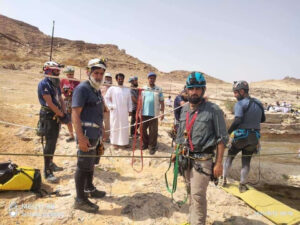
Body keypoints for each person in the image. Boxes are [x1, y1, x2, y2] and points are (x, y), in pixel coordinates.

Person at [174, 72, 228, 225]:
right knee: (190, 192)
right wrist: (176, 152)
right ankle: (192, 220)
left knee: (198, 196)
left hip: (203, 161)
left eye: (198, 88)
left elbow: (222, 139)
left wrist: (218, 163)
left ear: (203, 90)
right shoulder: (184, 109)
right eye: (191, 88)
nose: (194, 92)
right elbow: (180, 133)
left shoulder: (214, 110)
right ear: (187, 90)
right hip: (185, 158)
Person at [72, 58, 107, 212]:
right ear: (88, 72)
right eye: (96, 73)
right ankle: (80, 200)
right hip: (85, 134)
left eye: (101, 73)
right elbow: (75, 114)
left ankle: (89, 188)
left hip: (95, 134)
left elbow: (99, 110)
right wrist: (80, 137)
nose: (99, 76)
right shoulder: (82, 89)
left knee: (91, 164)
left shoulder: (96, 89)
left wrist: (102, 129)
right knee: (82, 166)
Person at [222, 80, 265, 193]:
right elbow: (263, 119)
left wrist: (227, 132)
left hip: (241, 137)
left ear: (242, 91)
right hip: (253, 138)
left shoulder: (240, 104)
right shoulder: (259, 103)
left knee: (229, 157)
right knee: (246, 161)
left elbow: (238, 120)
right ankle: (242, 185)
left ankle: (223, 180)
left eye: (235, 92)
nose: (234, 95)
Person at [37, 61, 68, 183]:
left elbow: (60, 98)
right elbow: (49, 103)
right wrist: (61, 114)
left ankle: (51, 163)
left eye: (58, 71)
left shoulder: (55, 83)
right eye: (56, 71)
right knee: (49, 144)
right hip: (48, 116)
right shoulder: (44, 84)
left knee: (54, 141)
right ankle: (47, 171)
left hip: (56, 115)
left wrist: (64, 113)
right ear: (49, 71)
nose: (58, 73)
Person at [105, 73, 132, 149]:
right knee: (114, 126)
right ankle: (114, 143)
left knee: (124, 127)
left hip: (124, 112)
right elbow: (106, 98)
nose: (120, 80)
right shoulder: (112, 88)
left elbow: (129, 101)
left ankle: (125, 143)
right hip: (115, 111)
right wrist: (111, 106)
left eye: (122, 79)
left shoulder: (127, 89)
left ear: (123, 79)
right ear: (116, 79)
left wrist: (130, 110)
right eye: (119, 79)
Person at [141, 72, 164, 155]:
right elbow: (140, 100)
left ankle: (152, 147)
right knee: (142, 129)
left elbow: (162, 101)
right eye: (150, 78)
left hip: (154, 114)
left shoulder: (159, 89)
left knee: (153, 131)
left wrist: (162, 112)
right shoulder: (144, 88)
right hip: (144, 113)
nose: (152, 79)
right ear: (148, 79)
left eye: (153, 78)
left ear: (155, 79)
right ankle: (145, 143)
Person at [60, 66, 80, 142]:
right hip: (66, 101)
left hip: (74, 101)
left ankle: (78, 135)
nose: (70, 75)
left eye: (72, 74)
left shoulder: (77, 82)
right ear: (66, 74)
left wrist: (72, 91)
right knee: (68, 120)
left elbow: (79, 92)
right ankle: (71, 135)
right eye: (69, 74)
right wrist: (65, 91)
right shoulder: (63, 81)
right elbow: (60, 90)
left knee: (76, 119)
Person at [101, 72, 113, 143]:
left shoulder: (112, 87)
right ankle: (102, 135)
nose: (107, 79)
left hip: (108, 108)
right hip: (100, 107)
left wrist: (108, 106)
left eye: (109, 78)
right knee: (100, 122)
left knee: (107, 123)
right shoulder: (100, 86)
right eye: (106, 77)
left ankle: (107, 137)